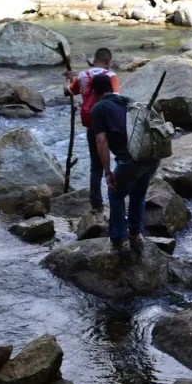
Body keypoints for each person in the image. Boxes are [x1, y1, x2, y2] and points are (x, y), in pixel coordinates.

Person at [89, 73, 159, 252]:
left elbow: (101, 142)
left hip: (131, 160)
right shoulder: (129, 100)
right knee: (138, 195)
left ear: (95, 92)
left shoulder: (98, 109)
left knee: (115, 194)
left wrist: (107, 172)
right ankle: (136, 234)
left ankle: (120, 239)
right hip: (151, 157)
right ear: (112, 89)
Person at [65, 48, 120, 210]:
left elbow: (67, 92)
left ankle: (96, 203)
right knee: (121, 159)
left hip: (92, 125)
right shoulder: (111, 76)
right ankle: (119, 194)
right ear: (108, 61)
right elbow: (115, 99)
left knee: (96, 165)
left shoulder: (82, 76)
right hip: (111, 125)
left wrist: (69, 79)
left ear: (93, 60)